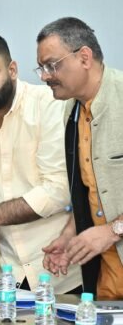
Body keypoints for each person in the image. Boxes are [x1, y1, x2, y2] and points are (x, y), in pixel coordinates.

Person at [0, 31, 81, 292]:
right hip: (11, 279)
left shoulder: (49, 105)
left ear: (12, 70)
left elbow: (59, 189)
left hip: (67, 272)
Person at [38, 17, 123, 300]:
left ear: (84, 57)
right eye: (42, 67)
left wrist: (112, 231)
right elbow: (90, 193)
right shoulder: (71, 112)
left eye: (52, 65)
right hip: (107, 283)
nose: (45, 76)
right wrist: (68, 237)